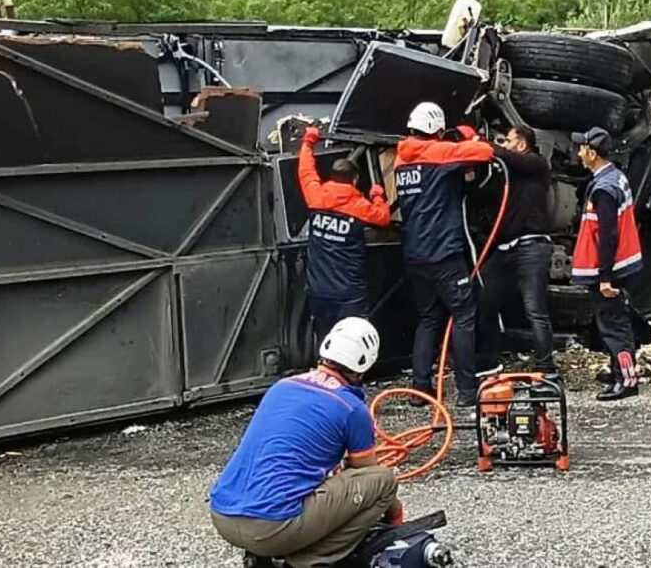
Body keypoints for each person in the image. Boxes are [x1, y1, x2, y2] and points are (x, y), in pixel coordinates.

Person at [209, 317, 403, 568]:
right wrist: (395, 516)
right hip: (271, 529)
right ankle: (307, 561)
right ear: (363, 366)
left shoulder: (282, 387)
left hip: (223, 514)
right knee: (385, 481)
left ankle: (273, 552)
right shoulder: (352, 408)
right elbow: (367, 474)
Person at [395, 102, 494, 407]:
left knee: (428, 319)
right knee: (464, 316)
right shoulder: (438, 154)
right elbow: (485, 153)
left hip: (415, 255)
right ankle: (466, 389)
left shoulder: (401, 161)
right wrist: (467, 138)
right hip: (444, 253)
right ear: (436, 130)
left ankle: (420, 389)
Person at [476, 125, 558, 376]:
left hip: (532, 246)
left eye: (508, 141)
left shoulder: (536, 165)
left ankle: (546, 365)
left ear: (522, 145)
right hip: (505, 249)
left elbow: (507, 157)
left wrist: (481, 143)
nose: (505, 145)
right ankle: (488, 362)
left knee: (534, 308)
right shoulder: (504, 175)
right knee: (483, 301)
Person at [570, 126, 644, 401]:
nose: (578, 153)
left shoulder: (604, 189)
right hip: (623, 264)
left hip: (611, 269)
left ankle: (627, 380)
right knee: (614, 321)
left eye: (581, 148)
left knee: (614, 326)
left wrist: (604, 277)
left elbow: (608, 236)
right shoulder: (615, 177)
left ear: (591, 152)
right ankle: (619, 371)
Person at [299, 125, 390, 341]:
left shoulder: (316, 196)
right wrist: (377, 195)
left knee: (324, 341)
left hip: (318, 290)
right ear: (355, 179)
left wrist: (307, 143)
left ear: (332, 176)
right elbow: (383, 217)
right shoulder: (359, 206)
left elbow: (306, 171)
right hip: (349, 294)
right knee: (352, 342)